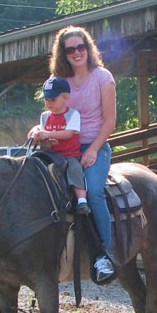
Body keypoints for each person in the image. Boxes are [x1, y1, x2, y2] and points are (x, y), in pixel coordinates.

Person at [50, 26, 117, 283]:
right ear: (63, 54)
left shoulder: (102, 77)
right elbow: (52, 111)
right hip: (62, 147)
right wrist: (41, 130)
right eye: (70, 49)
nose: (77, 53)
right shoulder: (59, 79)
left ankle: (104, 255)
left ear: (88, 49)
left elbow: (110, 121)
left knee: (94, 192)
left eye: (81, 47)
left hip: (94, 145)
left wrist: (92, 149)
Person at [28, 76, 91, 215]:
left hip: (68, 154)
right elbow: (43, 135)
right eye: (46, 99)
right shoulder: (44, 116)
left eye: (53, 99)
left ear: (66, 97)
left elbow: (69, 133)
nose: (49, 103)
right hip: (50, 154)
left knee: (74, 169)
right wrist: (37, 137)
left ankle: (82, 201)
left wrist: (47, 133)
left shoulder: (72, 114)